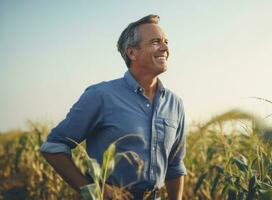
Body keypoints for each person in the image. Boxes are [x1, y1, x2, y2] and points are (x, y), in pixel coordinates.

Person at [40, 14, 186, 200]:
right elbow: (53, 147)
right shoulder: (100, 95)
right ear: (132, 52)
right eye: (156, 42)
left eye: (166, 41)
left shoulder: (175, 103)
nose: (165, 48)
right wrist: (91, 189)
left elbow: (175, 165)